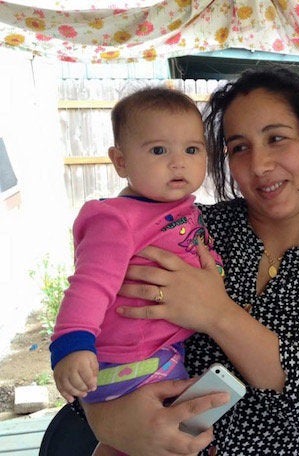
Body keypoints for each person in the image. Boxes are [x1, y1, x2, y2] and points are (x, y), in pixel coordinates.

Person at [78, 66, 299, 455]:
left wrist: (218, 315)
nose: (259, 166)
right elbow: (94, 335)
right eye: (239, 147)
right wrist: (112, 422)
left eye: (276, 138)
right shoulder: (187, 232)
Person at [51, 87, 224, 455]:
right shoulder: (116, 220)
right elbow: (91, 283)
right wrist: (71, 342)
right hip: (133, 358)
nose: (178, 162)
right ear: (121, 161)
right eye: (159, 150)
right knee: (163, 442)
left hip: (160, 352)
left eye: (191, 150)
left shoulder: (182, 210)